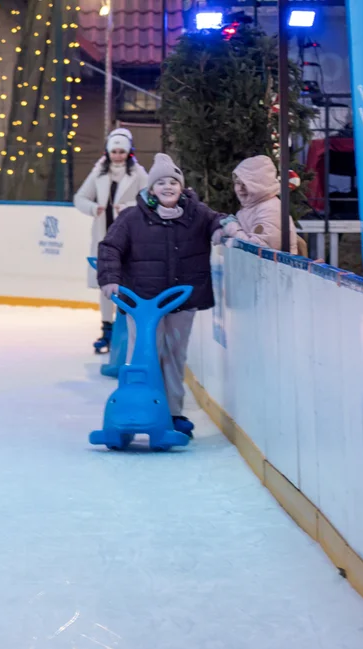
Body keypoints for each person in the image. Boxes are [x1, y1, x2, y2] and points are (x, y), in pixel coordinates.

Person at [97, 153, 242, 439]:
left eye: (173, 182)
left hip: (180, 302)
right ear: (151, 189)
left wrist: (227, 228)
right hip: (141, 303)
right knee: (142, 356)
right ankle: (133, 408)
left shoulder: (195, 212)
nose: (167, 187)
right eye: (160, 183)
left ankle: (172, 413)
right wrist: (110, 280)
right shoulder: (132, 217)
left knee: (174, 357)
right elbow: (109, 247)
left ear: (181, 187)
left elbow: (217, 221)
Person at [74, 128, 149, 353]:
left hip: (130, 238)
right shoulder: (99, 172)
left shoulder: (139, 173)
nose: (117, 155)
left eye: (121, 151)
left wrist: (127, 208)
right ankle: (106, 331)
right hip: (105, 238)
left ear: (128, 152)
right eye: (114, 151)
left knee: (128, 285)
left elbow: (148, 200)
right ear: (108, 151)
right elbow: (80, 197)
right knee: (106, 285)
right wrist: (92, 208)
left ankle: (127, 331)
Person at [230, 154, 309, 256]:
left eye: (245, 184)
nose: (240, 189)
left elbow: (256, 251)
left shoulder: (270, 210)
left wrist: (232, 229)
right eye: (237, 183)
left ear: (260, 184)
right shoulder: (251, 207)